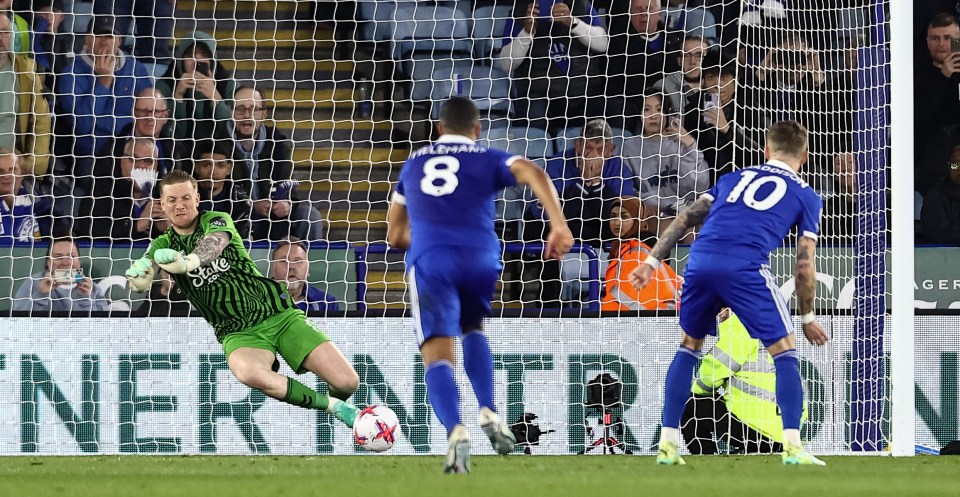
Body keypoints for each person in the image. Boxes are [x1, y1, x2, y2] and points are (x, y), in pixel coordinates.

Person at [385, 96, 574, 473]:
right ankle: (489, 408)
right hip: (480, 256)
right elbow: (534, 171)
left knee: (438, 354)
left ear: (439, 128)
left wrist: (428, 239)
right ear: (477, 129)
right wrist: (558, 224)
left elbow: (394, 234)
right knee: (473, 327)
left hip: (433, 260)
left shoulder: (413, 164)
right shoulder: (488, 157)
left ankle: (456, 430)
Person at [629, 120, 829, 466]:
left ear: (766, 150)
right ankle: (794, 448)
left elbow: (685, 218)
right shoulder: (806, 195)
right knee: (785, 352)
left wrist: (650, 261)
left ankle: (667, 444)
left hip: (700, 261)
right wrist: (808, 316)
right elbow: (803, 264)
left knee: (689, 347)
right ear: (805, 156)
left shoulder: (733, 178)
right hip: (744, 268)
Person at [123, 170, 361, 433]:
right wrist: (140, 280)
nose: (180, 205)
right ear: (162, 205)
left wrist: (187, 262)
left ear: (198, 199)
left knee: (348, 382)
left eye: (186, 198)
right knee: (249, 373)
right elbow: (146, 268)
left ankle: (345, 406)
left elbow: (214, 245)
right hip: (236, 331)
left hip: (276, 315)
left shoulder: (216, 220)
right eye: (171, 200)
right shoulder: (161, 245)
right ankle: (333, 408)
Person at [682, 309, 801, 455]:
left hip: (762, 432)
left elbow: (708, 378)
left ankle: (706, 461)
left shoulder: (740, 328)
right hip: (789, 431)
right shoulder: (762, 324)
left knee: (686, 401)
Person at [54, 15, 152, 191]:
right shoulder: (71, 74)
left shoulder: (136, 70)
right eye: (98, 35)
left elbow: (147, 116)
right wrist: (104, 82)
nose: (104, 42)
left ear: (120, 41)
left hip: (132, 151)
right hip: (93, 154)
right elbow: (82, 125)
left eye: (110, 36)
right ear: (87, 38)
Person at [224, 85, 323, 242]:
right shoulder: (219, 144)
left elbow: (287, 186)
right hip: (237, 217)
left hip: (274, 218)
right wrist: (252, 205)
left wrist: (286, 204)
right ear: (231, 113)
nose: (247, 115)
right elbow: (216, 192)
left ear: (263, 114)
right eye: (240, 109)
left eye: (254, 109)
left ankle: (303, 264)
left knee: (310, 216)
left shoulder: (279, 144)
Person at [621, 90, 709, 218]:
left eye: (659, 109)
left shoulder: (680, 142)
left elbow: (701, 186)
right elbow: (630, 193)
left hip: (685, 214)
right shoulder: (630, 147)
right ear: (640, 115)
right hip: (650, 214)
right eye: (647, 109)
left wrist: (690, 145)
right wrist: (662, 205)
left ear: (667, 114)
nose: (653, 116)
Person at [156, 31, 236, 155]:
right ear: (181, 59)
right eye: (190, 55)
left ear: (212, 59)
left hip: (219, 154)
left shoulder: (227, 84)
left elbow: (233, 131)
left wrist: (215, 97)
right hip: (177, 154)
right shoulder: (165, 84)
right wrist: (178, 98)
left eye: (204, 55)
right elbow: (171, 135)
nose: (196, 60)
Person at [77, 136, 166, 240]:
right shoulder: (101, 189)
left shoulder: (165, 192)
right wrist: (135, 226)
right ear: (122, 162)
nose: (140, 166)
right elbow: (90, 230)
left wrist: (162, 228)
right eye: (134, 159)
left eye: (148, 161)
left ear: (156, 166)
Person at [601, 197, 680, 311]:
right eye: (613, 216)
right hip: (643, 321)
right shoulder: (624, 248)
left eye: (624, 217)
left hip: (649, 324)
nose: (617, 222)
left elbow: (634, 303)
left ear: (638, 219)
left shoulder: (637, 252)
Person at [0, 12, 52, 178]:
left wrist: (30, 166)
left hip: (15, 169)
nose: (1, 38)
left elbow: (41, 122)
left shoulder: (26, 71)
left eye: (5, 32)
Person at [14, 236, 110, 313]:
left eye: (72, 256)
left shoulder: (91, 288)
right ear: (48, 262)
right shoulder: (33, 283)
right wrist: (40, 295)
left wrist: (86, 301)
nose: (66, 262)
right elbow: (18, 324)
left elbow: (100, 329)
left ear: (79, 261)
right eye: (58, 257)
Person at [192, 138, 251, 239]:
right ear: (197, 167)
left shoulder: (241, 202)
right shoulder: (183, 198)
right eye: (207, 165)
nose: (213, 172)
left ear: (229, 169)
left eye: (220, 165)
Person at [269, 237, 340, 313]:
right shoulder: (258, 301)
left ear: (308, 269)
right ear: (273, 268)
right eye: (284, 261)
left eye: (298, 261)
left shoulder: (327, 303)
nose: (292, 266)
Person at [921, 146, 960, 245]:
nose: (959, 169)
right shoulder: (935, 198)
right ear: (948, 167)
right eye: (955, 164)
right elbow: (937, 234)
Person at [0, 150, 40, 242]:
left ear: (23, 173)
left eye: (13, 170)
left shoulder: (36, 199)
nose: (6, 176)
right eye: (0, 171)